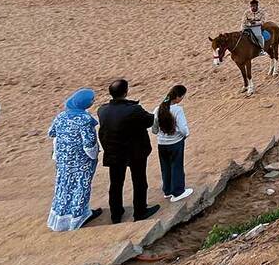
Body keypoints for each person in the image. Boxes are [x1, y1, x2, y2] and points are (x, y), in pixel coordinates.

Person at [98, 79, 158, 223]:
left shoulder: (102, 110)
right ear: (126, 92)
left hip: (113, 152)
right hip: (135, 152)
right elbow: (150, 121)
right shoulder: (134, 110)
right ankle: (140, 211)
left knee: (116, 184)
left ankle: (116, 214)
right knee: (139, 182)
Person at [47, 88, 103, 231]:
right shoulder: (85, 119)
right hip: (80, 161)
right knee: (80, 187)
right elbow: (89, 144)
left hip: (63, 160)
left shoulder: (61, 116)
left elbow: (51, 132)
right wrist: (94, 155)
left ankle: (60, 216)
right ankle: (77, 217)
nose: (92, 102)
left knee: (63, 186)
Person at [152, 85, 193, 202]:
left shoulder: (157, 109)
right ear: (178, 97)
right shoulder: (177, 110)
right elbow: (183, 128)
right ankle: (178, 192)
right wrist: (186, 134)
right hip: (175, 143)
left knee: (165, 167)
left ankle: (167, 190)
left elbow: (154, 129)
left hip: (161, 144)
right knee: (176, 165)